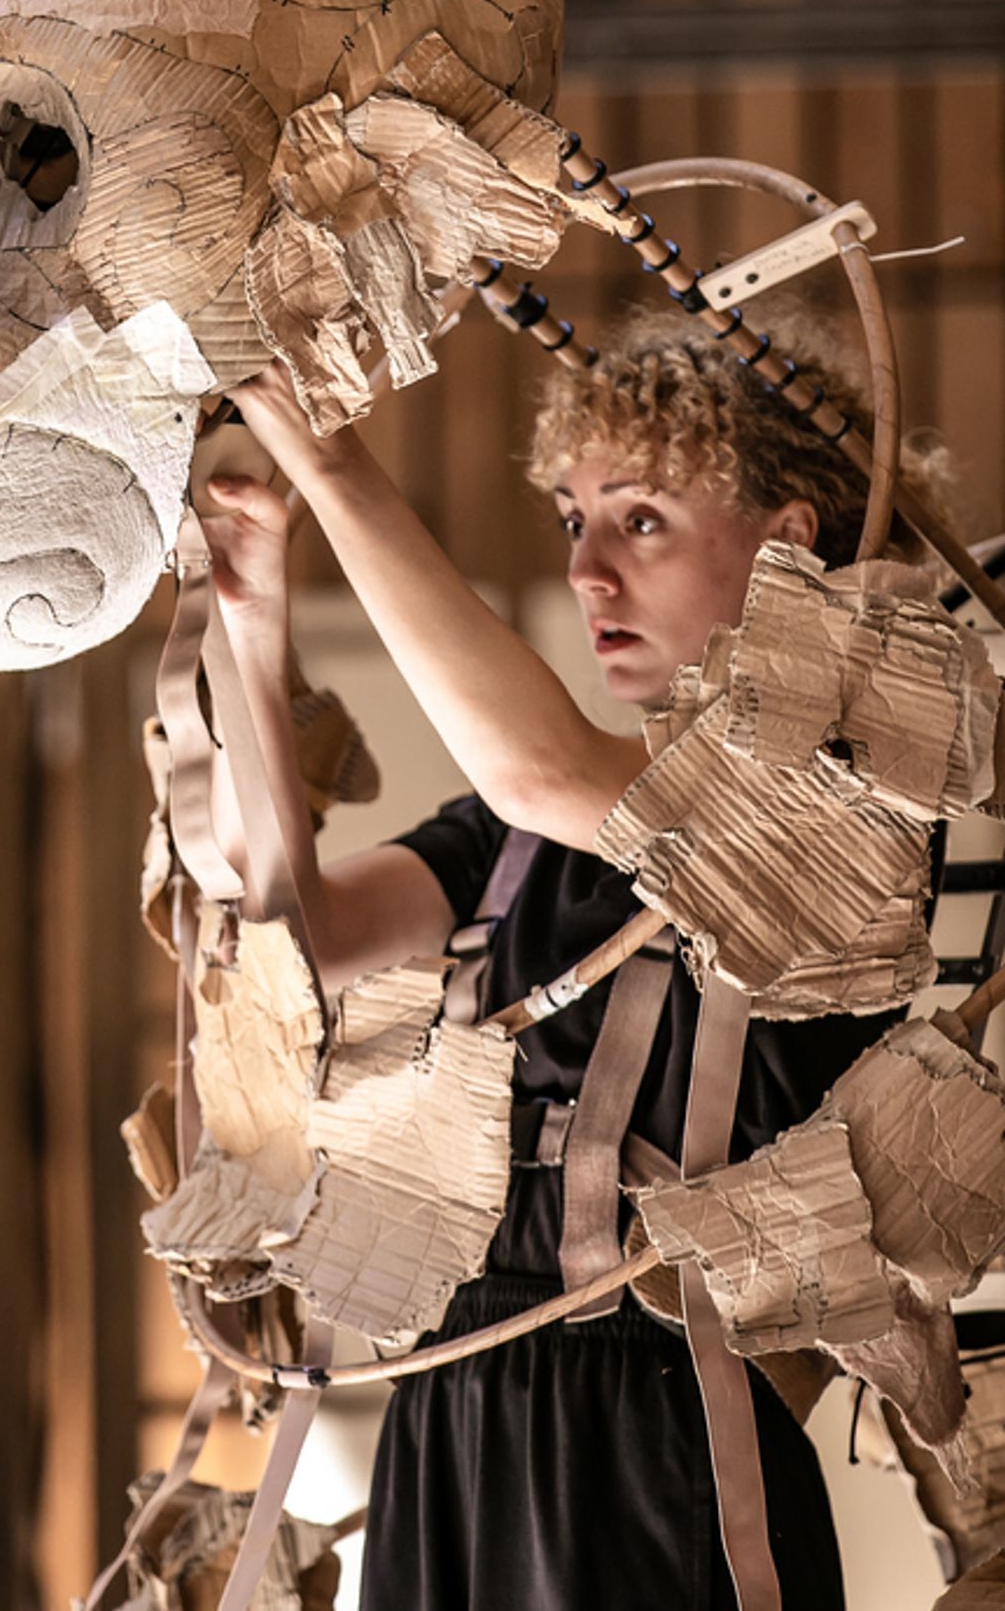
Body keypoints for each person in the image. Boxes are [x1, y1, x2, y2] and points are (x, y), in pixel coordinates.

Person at [200, 303, 947, 1611]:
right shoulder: (511, 836)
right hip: (461, 1392)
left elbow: (545, 768)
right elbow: (296, 935)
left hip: (663, 1418)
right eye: (573, 522)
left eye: (641, 520)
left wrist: (334, 461)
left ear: (786, 545)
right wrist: (256, 615)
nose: (590, 572)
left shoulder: (850, 805)